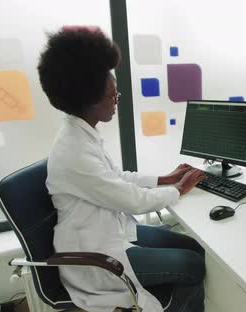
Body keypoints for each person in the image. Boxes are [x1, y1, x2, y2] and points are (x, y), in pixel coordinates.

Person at [37, 28, 207, 312]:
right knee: (193, 265)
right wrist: (179, 189)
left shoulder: (81, 133)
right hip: (97, 255)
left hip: (114, 232)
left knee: (193, 248)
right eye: (112, 96)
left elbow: (115, 178)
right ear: (89, 99)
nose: (117, 101)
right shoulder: (74, 150)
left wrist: (165, 178)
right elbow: (130, 200)